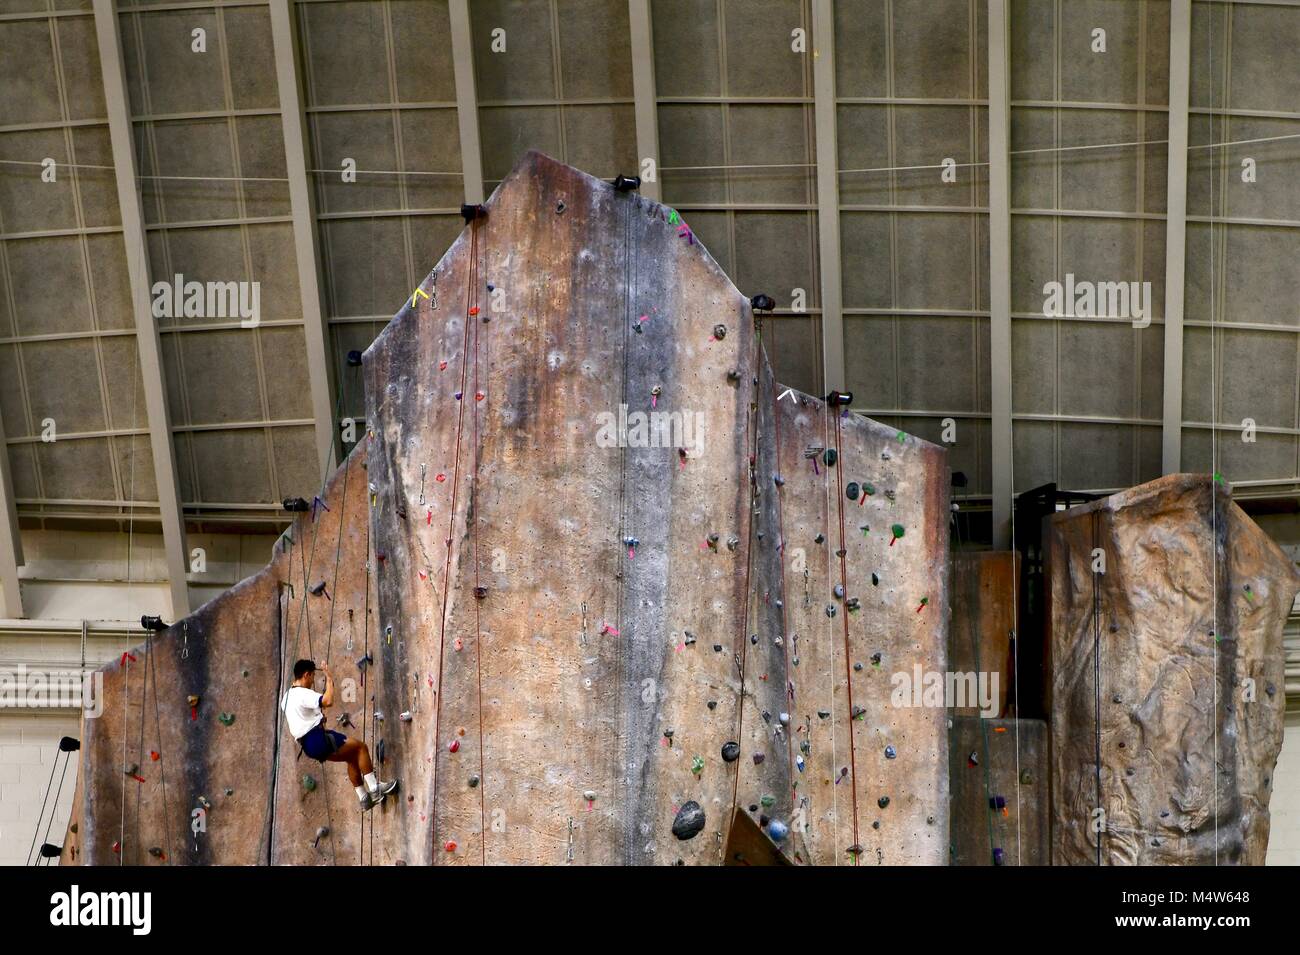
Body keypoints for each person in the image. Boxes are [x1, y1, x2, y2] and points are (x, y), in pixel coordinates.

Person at [281, 659, 398, 811]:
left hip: (308, 746)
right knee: (361, 748)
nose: (312, 681)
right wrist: (329, 678)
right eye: (312, 677)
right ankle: (375, 790)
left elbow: (299, 716)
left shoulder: (286, 697)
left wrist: (316, 719)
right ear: (306, 675)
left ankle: (364, 798)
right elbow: (328, 700)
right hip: (317, 738)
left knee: (351, 757)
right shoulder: (303, 694)